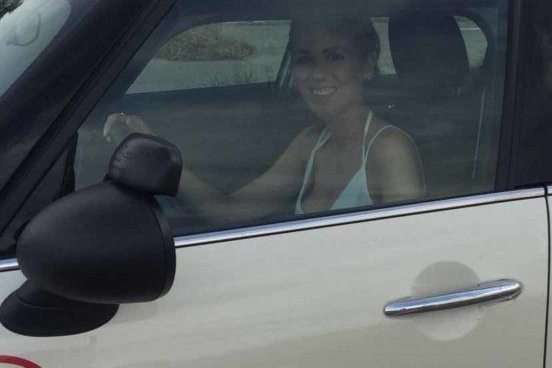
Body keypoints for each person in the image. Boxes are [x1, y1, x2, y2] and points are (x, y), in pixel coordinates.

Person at [105, 13, 425, 223]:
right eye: (304, 59)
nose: (317, 73)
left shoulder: (388, 149)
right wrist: (157, 152)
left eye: (334, 57)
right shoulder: (310, 142)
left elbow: (411, 253)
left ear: (366, 66)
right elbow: (229, 211)